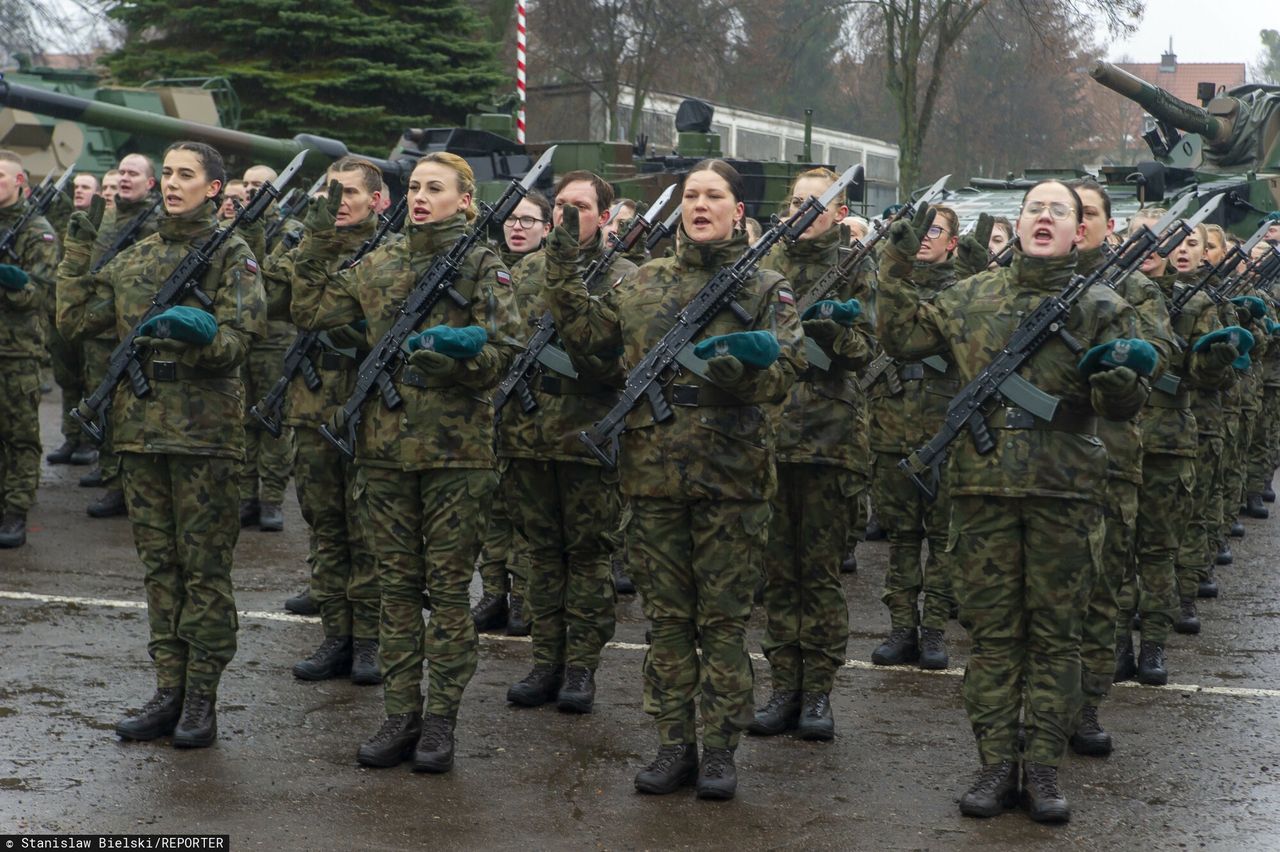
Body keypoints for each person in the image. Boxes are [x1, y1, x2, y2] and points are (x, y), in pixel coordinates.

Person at [877, 180, 1160, 823]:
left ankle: (1044, 768)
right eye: (1035, 208)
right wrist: (894, 261)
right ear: (1020, 221)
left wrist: (1119, 388)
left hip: (1066, 492)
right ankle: (996, 764)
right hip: (982, 494)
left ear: (1078, 229)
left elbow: (1127, 402)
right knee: (994, 637)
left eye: (1060, 211)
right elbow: (899, 334)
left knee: (1057, 638)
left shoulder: (1103, 306)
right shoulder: (972, 295)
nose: (1045, 218)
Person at [544, 158, 805, 800]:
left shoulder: (766, 286)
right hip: (652, 474)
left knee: (721, 621)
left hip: (733, 477)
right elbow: (587, 341)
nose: (700, 204)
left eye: (714, 195)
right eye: (691, 195)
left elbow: (787, 368)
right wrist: (561, 262)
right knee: (665, 620)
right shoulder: (643, 282)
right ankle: (672, 743)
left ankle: (718, 749)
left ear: (737, 211)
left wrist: (747, 370)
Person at [290, 151, 522, 774]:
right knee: (395, 591)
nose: (420, 196)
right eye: (414, 186)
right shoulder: (381, 260)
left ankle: (440, 720)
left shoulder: (482, 264)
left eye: (434, 188)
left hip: (456, 454)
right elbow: (310, 311)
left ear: (464, 201)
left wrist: (461, 363)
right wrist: (316, 236)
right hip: (384, 452)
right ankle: (400, 712)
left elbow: (507, 353)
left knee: (447, 594)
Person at [57, 140, 267, 746]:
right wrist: (79, 242)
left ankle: (202, 698)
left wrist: (199, 333)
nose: (173, 184)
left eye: (185, 175)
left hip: (205, 436)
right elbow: (75, 320)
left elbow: (239, 342)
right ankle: (167, 688)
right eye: (167, 174)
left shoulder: (232, 254)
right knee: (160, 569)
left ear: (214, 188)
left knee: (203, 570)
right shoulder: (135, 257)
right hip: (142, 433)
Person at [499, 171, 635, 713]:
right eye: (558, 205)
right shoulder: (526, 270)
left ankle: (581, 667)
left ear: (604, 216)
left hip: (587, 438)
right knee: (540, 557)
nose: (565, 214)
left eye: (579, 206)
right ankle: (544, 660)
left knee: (588, 557)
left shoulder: (625, 276)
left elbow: (617, 359)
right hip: (530, 436)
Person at [749, 168, 873, 741]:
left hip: (828, 440)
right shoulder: (761, 265)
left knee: (818, 576)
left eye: (815, 202)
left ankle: (818, 691)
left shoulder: (856, 265)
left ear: (839, 213)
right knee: (778, 575)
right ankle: (783, 686)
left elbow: (865, 351)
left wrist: (831, 330)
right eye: (796, 201)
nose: (802, 210)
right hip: (768, 435)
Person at [263, 156, 384, 686]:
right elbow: (268, 303)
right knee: (325, 527)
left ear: (376, 200)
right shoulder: (305, 246)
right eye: (330, 191)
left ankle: (370, 642)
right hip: (312, 407)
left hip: (370, 408)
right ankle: (336, 635)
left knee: (368, 531)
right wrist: (305, 245)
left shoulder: (388, 253)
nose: (338, 202)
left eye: (350, 192)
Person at [1065, 179, 1175, 756]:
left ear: (1108, 226)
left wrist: (1117, 359)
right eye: (1067, 211)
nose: (1076, 222)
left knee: (1102, 591)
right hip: (1046, 464)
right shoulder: (1027, 285)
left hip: (1111, 458)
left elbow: (1161, 355)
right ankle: (1037, 711)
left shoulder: (1135, 290)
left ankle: (1084, 707)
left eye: (1088, 213)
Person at [866, 204, 962, 670]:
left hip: (945, 432)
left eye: (935, 231)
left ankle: (934, 630)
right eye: (919, 230)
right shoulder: (887, 286)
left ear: (953, 244)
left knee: (944, 539)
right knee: (902, 538)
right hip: (892, 428)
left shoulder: (964, 290)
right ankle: (902, 627)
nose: (925, 237)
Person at [471, 189, 551, 634]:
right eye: (513, 220)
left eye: (529, 221)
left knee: (525, 508)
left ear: (547, 228)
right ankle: (493, 593)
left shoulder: (551, 271)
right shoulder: (486, 266)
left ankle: (523, 597)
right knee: (493, 507)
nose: (518, 227)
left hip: (533, 406)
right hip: (490, 398)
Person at [78, 153, 161, 519]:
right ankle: (113, 480)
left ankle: (143, 485)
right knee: (104, 404)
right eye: (122, 172)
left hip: (139, 331)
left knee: (142, 408)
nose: (125, 178)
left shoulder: (158, 223)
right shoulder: (106, 218)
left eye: (134, 173)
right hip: (101, 329)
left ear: (150, 183)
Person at [0, 150, 60, 548]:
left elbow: (36, 294)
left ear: (20, 182)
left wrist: (8, 278)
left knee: (18, 434)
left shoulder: (37, 231)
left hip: (15, 351)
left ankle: (15, 510)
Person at [238, 164, 297, 532]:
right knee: (241, 420)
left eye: (258, 185)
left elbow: (272, 281)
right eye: (246, 184)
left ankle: (271, 498)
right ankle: (245, 496)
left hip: (274, 342)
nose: (250, 190)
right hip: (241, 337)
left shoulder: (290, 231)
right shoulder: (233, 229)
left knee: (273, 421)